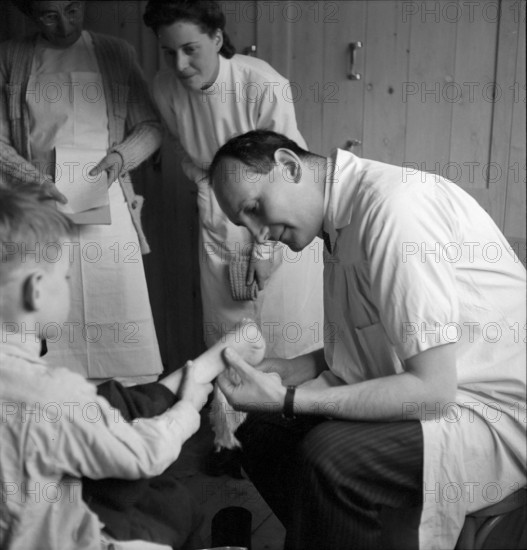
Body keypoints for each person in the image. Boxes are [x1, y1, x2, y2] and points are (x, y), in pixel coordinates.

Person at [208, 130, 527, 549]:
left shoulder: (394, 211)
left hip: (490, 408)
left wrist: (288, 398)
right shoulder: (339, 224)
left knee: (329, 458)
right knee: (258, 425)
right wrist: (288, 371)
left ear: (289, 166)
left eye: (254, 208)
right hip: (441, 385)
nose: (258, 235)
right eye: (243, 224)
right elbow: (371, 342)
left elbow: (433, 392)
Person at [0, 185, 267, 549]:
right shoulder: (52, 395)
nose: (68, 285)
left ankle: (199, 371)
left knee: (109, 405)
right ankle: (197, 375)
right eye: (64, 277)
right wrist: (188, 407)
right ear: (36, 290)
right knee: (170, 509)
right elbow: (141, 456)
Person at [143, 0, 324, 360]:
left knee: (284, 333)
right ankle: (232, 414)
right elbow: (181, 148)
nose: (180, 64)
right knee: (227, 336)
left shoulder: (263, 84)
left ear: (216, 37)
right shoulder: (164, 89)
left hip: (279, 218)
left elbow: (285, 178)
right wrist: (209, 197)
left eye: (190, 49)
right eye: (168, 52)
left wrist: (263, 247)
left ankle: (293, 412)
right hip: (217, 215)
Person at [1, 0, 163, 383]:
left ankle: (127, 406)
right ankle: (57, 413)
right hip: (40, 203)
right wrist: (32, 177)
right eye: (49, 15)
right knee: (50, 306)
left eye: (72, 10)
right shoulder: (10, 56)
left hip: (104, 196)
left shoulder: (115, 53)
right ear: (29, 14)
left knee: (115, 304)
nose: (64, 24)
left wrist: (120, 159)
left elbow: (151, 126)